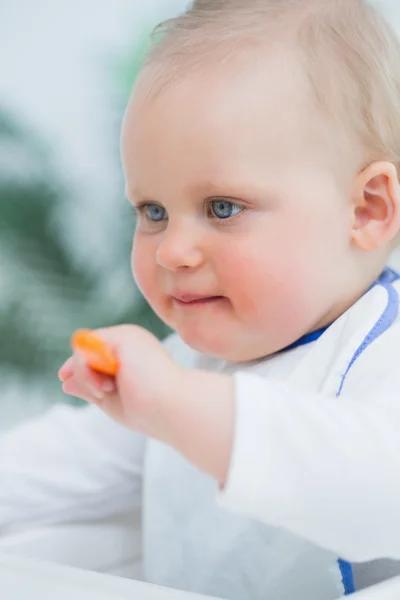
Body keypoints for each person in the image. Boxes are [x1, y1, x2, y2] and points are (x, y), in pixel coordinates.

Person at [2, 1, 400, 598]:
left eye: (223, 208)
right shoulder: (188, 365)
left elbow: (374, 490)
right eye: (152, 211)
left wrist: (176, 403)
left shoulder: (382, 355)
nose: (172, 252)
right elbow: (56, 465)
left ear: (367, 210)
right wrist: (169, 396)